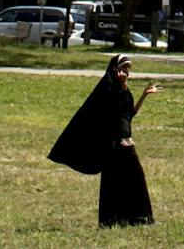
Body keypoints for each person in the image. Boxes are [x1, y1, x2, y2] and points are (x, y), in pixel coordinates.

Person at [48, 53, 160, 227]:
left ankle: (139, 218)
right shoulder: (108, 90)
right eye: (124, 68)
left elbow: (128, 114)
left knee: (135, 180)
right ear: (115, 69)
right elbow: (110, 115)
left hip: (126, 142)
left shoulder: (123, 89)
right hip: (114, 146)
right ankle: (111, 220)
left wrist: (144, 95)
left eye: (129, 69)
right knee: (114, 183)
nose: (127, 72)